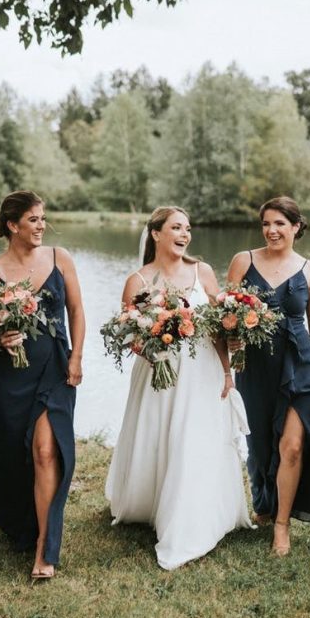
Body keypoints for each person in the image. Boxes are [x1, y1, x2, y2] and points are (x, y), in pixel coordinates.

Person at [105, 206, 252, 569]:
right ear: (156, 233)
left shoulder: (202, 271)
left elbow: (217, 327)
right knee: (161, 438)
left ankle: (195, 516)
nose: (184, 234)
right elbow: (128, 336)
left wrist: (227, 371)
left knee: (195, 439)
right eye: (176, 227)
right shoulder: (138, 280)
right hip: (160, 372)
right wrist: (155, 351)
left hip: (203, 370)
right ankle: (154, 503)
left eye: (187, 228)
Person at [228, 196, 310, 556]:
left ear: (297, 227)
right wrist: (230, 340)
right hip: (256, 366)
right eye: (266, 223)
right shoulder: (243, 262)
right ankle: (264, 503)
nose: (271, 230)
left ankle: (282, 525)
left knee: (292, 445)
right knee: (261, 444)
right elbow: (227, 315)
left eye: (280, 223)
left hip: (300, 364)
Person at [0, 191, 85, 580]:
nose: (41, 226)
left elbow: (75, 309)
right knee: (10, 456)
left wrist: (76, 357)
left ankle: (45, 544)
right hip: (11, 375)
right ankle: (20, 524)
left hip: (55, 366)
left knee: (45, 451)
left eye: (43, 219)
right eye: (34, 219)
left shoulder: (60, 258)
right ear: (12, 225)